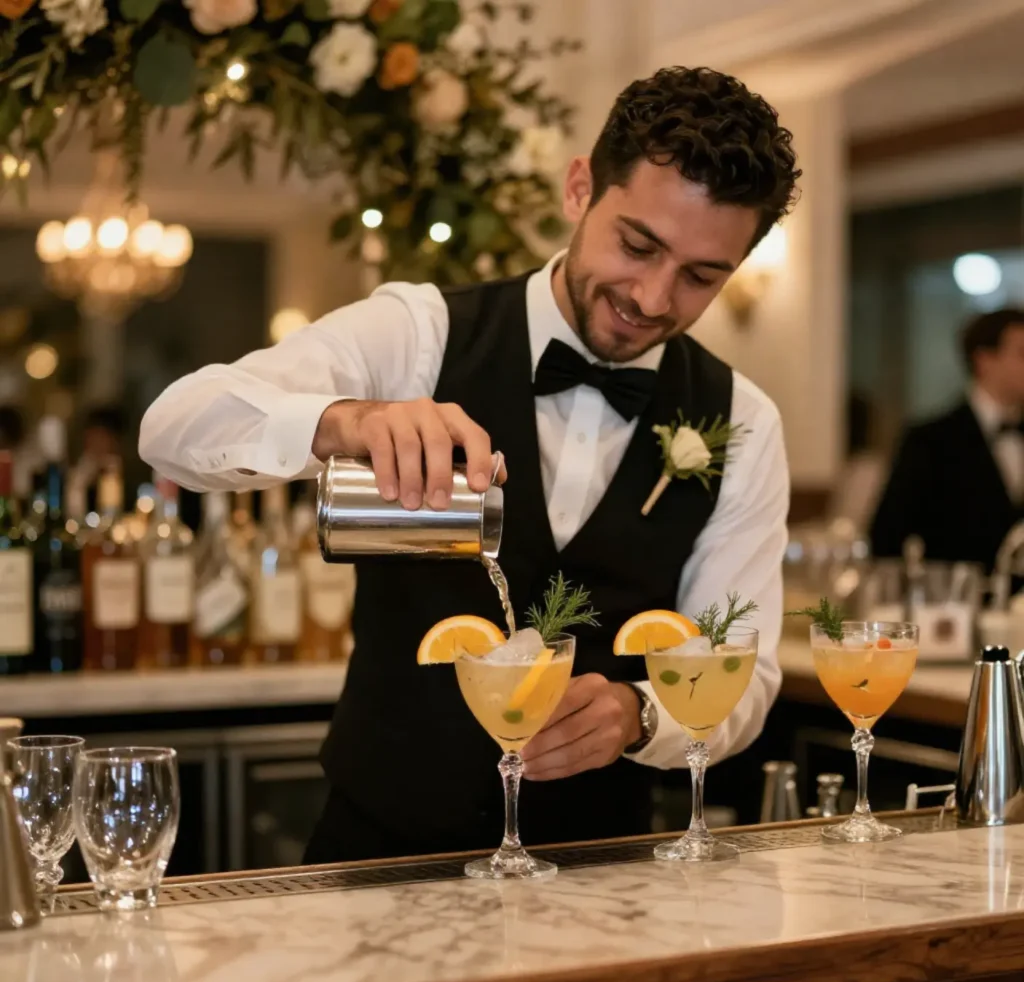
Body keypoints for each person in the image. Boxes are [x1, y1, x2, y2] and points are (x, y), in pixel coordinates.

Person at [140, 66, 799, 863]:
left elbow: (748, 672)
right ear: (579, 189)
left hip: (605, 871)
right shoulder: (419, 333)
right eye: (637, 245)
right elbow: (171, 427)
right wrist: (344, 420)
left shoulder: (743, 421)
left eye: (700, 277)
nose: (655, 298)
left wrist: (642, 714)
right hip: (378, 856)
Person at [870, 308, 1024, 573]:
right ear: (984, 361)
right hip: (955, 596)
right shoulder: (930, 441)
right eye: (1022, 354)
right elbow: (886, 538)